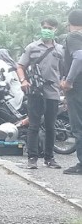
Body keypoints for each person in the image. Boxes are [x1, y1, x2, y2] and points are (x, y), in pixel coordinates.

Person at [17, 18, 64, 169]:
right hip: (35, 91)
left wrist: (64, 84)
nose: (46, 30)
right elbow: (20, 66)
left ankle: (49, 158)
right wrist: (23, 80)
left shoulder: (60, 50)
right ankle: (32, 158)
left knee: (51, 126)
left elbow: (64, 71)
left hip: (53, 92)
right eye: (44, 27)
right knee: (34, 125)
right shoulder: (32, 47)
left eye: (49, 27)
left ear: (55, 29)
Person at [60, 9, 82, 175]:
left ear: (69, 24)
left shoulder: (74, 36)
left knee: (78, 126)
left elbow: (79, 57)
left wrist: (69, 81)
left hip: (77, 89)